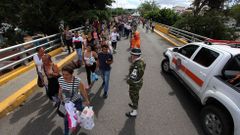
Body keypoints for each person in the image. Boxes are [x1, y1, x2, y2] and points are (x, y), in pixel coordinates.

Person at [58, 66, 90, 135]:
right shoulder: (60, 79)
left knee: (80, 108)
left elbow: (83, 91)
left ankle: (84, 109)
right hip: (67, 103)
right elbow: (61, 88)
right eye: (63, 74)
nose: (64, 76)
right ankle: (66, 133)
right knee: (66, 119)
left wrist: (87, 100)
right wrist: (59, 96)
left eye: (67, 75)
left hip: (76, 101)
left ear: (72, 74)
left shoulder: (77, 81)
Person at [126, 48, 146, 117]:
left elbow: (133, 77)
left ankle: (134, 111)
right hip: (139, 82)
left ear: (134, 55)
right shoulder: (141, 61)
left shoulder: (137, 64)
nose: (131, 56)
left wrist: (128, 81)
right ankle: (134, 104)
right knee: (135, 95)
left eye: (132, 54)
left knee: (134, 96)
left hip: (135, 84)